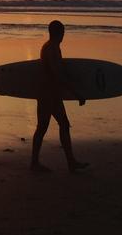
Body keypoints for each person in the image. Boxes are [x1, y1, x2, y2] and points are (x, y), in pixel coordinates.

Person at [30, 20, 89, 173]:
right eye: (63, 32)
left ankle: (70, 162)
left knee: (60, 125)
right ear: (60, 33)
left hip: (51, 94)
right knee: (44, 127)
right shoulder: (52, 48)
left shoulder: (50, 46)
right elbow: (58, 74)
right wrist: (76, 93)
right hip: (47, 95)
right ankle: (36, 163)